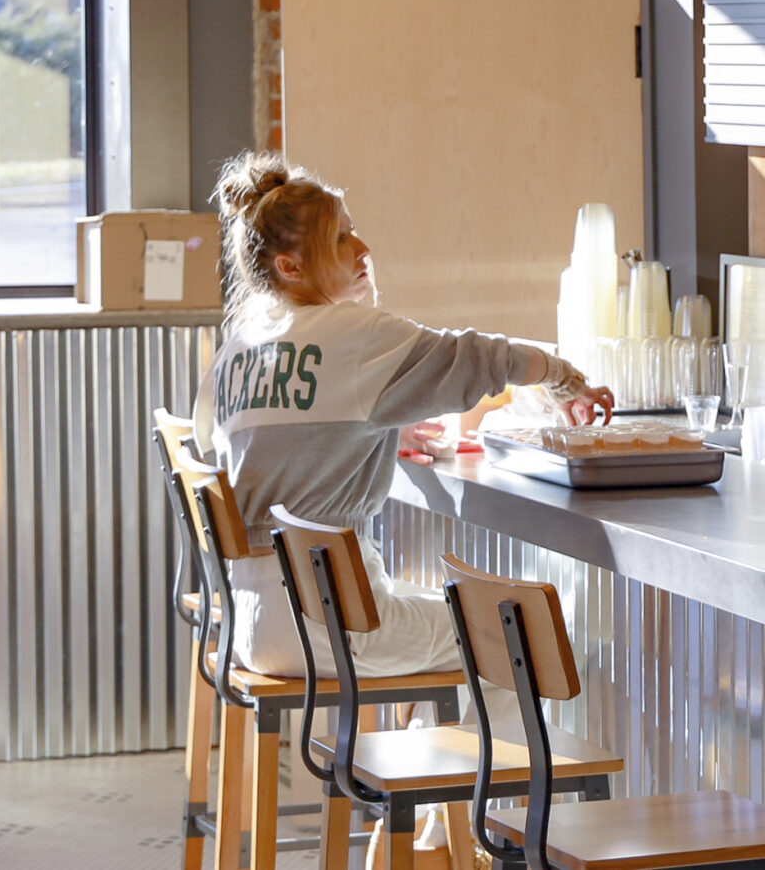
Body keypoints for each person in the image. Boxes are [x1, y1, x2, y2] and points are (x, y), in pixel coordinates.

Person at [193, 150, 610, 680]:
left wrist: (372, 429)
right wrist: (565, 378)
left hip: (248, 624)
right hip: (332, 630)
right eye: (341, 239)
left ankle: (435, 751)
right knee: (525, 635)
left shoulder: (237, 349)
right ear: (290, 266)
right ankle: (466, 764)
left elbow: (251, 453)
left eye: (354, 230)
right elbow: (479, 356)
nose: (364, 248)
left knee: (457, 619)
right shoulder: (353, 335)